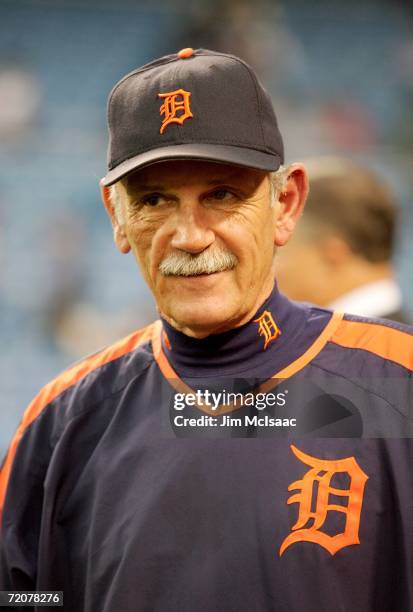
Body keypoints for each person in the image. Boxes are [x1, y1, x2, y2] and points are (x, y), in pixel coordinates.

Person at [0, 48, 412, 612]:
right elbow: (28, 598)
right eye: (154, 200)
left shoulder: (398, 383)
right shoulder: (60, 423)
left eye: (222, 194)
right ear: (117, 216)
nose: (190, 236)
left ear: (285, 203)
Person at [277, 156, 411, 323]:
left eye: (277, 251)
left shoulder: (349, 345)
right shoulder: (398, 340)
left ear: (333, 255)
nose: (271, 269)